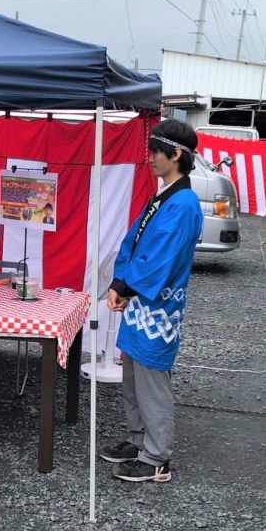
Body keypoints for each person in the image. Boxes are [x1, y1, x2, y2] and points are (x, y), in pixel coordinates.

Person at [98, 120, 203, 483]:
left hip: (158, 308)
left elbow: (162, 259)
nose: (149, 159)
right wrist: (118, 282)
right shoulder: (166, 196)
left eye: (154, 151)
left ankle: (157, 457)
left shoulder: (184, 203)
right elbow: (133, 242)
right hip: (142, 304)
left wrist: (125, 287)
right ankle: (138, 438)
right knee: (132, 379)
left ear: (175, 154)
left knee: (152, 383)